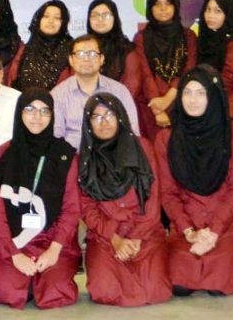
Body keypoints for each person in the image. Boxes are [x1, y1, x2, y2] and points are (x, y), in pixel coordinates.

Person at [155, 65, 233, 296]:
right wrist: (189, 231)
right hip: (187, 225)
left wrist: (214, 232)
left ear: (213, 97)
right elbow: (167, 193)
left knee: (218, 283)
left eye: (200, 93)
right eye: (187, 92)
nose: (192, 100)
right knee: (179, 283)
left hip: (227, 225)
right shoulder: (166, 139)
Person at [0, 89, 81, 309]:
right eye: (30, 109)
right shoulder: (2, 155)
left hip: (52, 240)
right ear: (19, 112)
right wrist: (14, 254)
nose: (37, 117)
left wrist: (54, 249)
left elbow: (72, 208)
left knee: (54, 293)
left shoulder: (65, 155)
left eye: (44, 111)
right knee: (9, 293)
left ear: (52, 115)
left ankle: (49, 275)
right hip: (15, 242)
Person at [77, 93, 170, 307]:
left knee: (157, 291)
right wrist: (115, 238)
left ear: (120, 116)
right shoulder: (84, 159)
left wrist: (137, 236)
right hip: (105, 237)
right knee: (104, 291)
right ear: (88, 124)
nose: (104, 121)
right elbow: (87, 208)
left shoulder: (143, 147)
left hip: (145, 232)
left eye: (109, 114)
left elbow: (154, 197)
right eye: (96, 117)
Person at [129, 0, 198, 141]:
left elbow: (189, 69)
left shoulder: (188, 36)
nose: (163, 8)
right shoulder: (141, 37)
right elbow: (144, 72)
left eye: (168, 3)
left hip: (181, 103)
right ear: (150, 8)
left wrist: (167, 100)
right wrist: (158, 110)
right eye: (157, 4)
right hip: (150, 106)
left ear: (176, 6)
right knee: (153, 156)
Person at [50, 34, 139, 149]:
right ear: (71, 60)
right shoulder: (58, 94)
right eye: (80, 54)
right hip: (75, 159)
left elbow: (132, 132)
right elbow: (56, 137)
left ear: (101, 59)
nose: (86, 59)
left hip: (113, 156)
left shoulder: (119, 91)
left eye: (92, 54)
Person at [197, 0, 233, 129]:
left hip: (226, 113)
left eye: (217, 11)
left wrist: (200, 98)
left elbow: (227, 82)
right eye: (207, 10)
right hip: (202, 112)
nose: (210, 15)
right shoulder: (204, 41)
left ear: (229, 15)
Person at [9, 0, 73, 91]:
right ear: (39, 20)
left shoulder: (72, 50)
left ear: (63, 23)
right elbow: (12, 80)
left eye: (57, 18)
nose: (50, 21)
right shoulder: (24, 50)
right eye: (46, 16)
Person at [84, 0, 138, 83]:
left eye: (106, 15)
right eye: (95, 15)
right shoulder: (82, 48)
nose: (100, 19)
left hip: (120, 96)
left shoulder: (126, 49)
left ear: (115, 18)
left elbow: (132, 85)